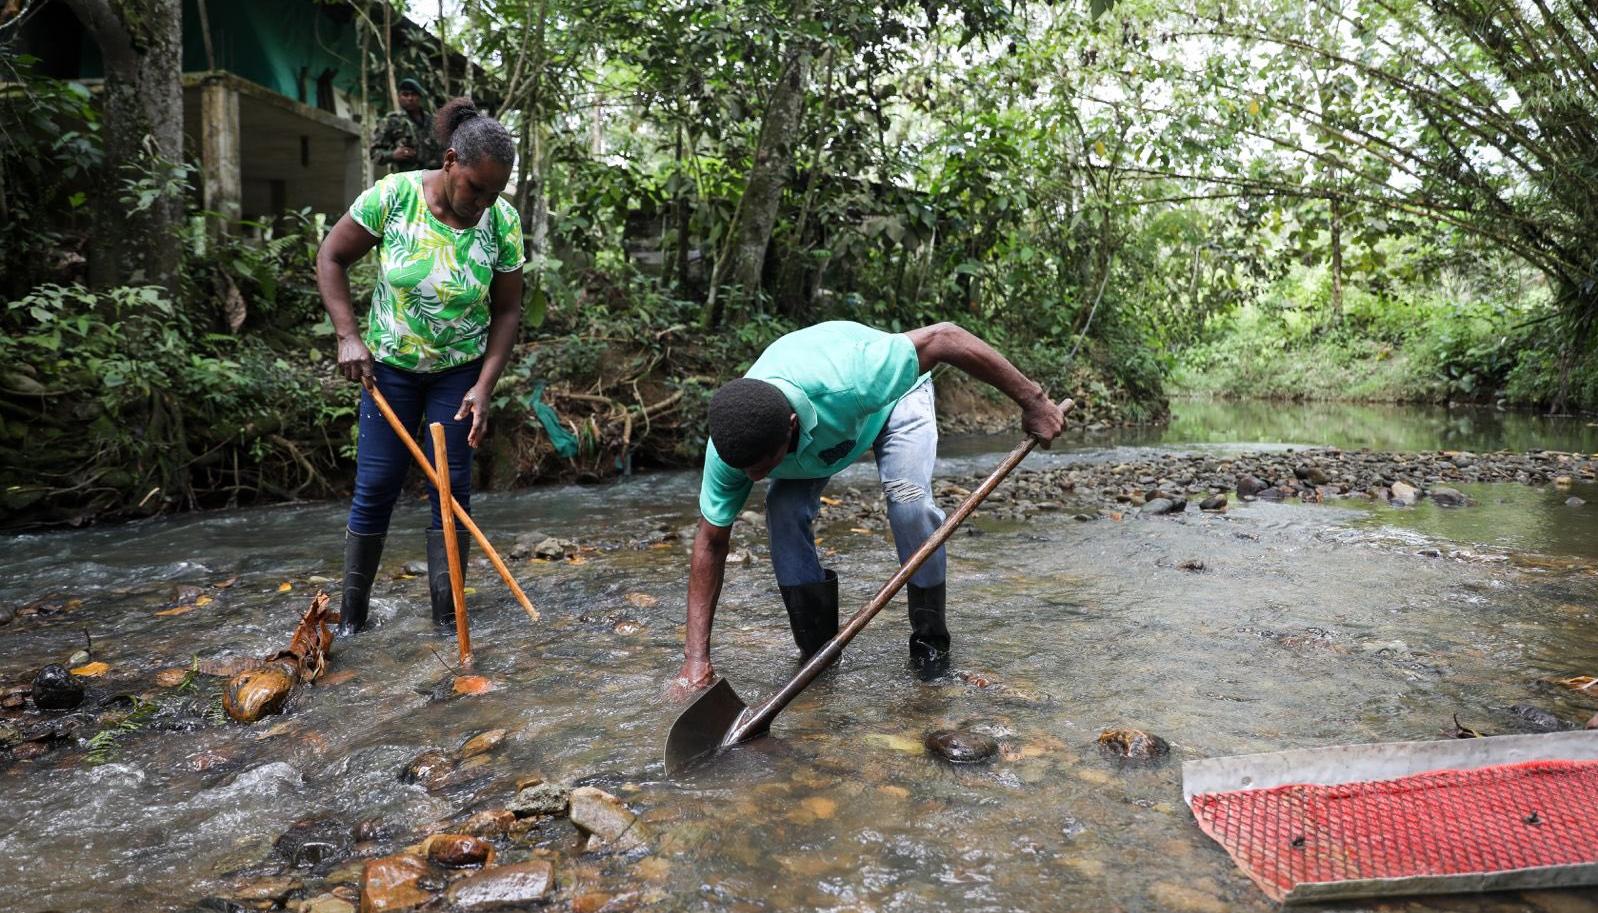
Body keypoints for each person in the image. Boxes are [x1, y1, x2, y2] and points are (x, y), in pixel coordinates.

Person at [673, 321, 1065, 692]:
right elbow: (710, 543)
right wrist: (695, 662)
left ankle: (930, 644)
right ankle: (818, 654)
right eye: (746, 470)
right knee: (782, 511)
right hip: (824, 440)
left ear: (791, 425)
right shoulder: (731, 447)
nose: (752, 479)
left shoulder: (854, 377)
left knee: (908, 504)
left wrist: (1035, 401)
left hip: (894, 403)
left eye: (762, 467)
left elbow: (945, 337)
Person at [317, 97, 524, 638]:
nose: (482, 202)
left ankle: (447, 619)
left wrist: (483, 387)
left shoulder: (501, 222)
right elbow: (331, 258)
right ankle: (352, 624)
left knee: (450, 491)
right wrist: (348, 338)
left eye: (493, 192)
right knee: (377, 483)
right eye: (475, 187)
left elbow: (507, 311)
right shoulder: (394, 196)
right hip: (388, 371)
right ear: (451, 160)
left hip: (458, 374)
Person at [370, 77, 443, 172]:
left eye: (414, 95)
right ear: (399, 97)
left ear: (419, 97)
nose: (410, 98)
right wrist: (393, 155)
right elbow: (374, 153)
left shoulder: (434, 121)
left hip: (432, 178)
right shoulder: (391, 121)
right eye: (405, 95)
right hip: (406, 180)